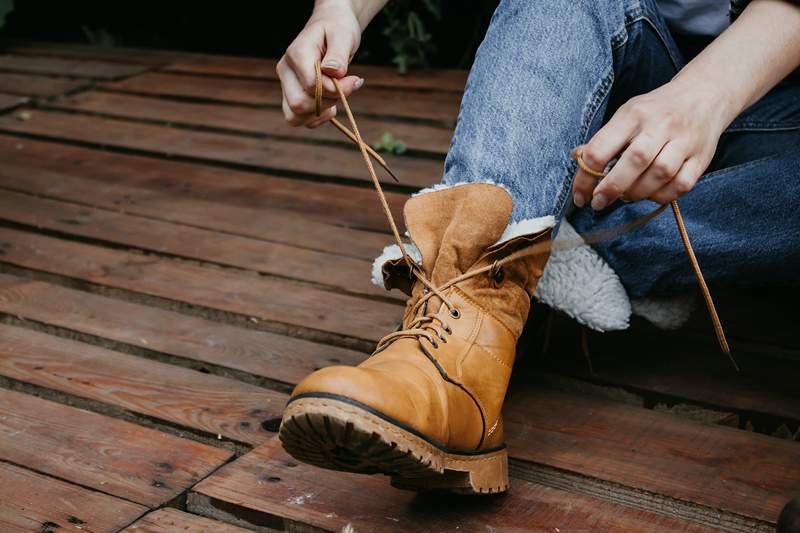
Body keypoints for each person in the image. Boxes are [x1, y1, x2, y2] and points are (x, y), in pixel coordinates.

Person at [276, 0, 800, 494]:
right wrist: (340, 10)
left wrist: (703, 97)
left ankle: (548, 251)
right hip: (622, 74)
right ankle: (466, 331)